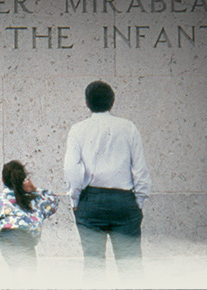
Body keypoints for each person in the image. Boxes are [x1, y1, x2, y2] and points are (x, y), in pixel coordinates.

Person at [63, 80, 152, 280]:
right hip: (124, 200)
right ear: (112, 102)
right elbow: (140, 169)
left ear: (87, 103)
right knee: (131, 266)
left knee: (93, 267)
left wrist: (75, 199)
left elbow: (71, 169)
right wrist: (139, 201)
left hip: (91, 200)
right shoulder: (128, 127)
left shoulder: (78, 129)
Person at [0, 160, 59, 272]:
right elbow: (54, 201)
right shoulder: (33, 198)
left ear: (3, 180)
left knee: (14, 270)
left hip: (6, 237)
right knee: (29, 274)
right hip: (26, 238)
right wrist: (35, 188)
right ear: (24, 179)